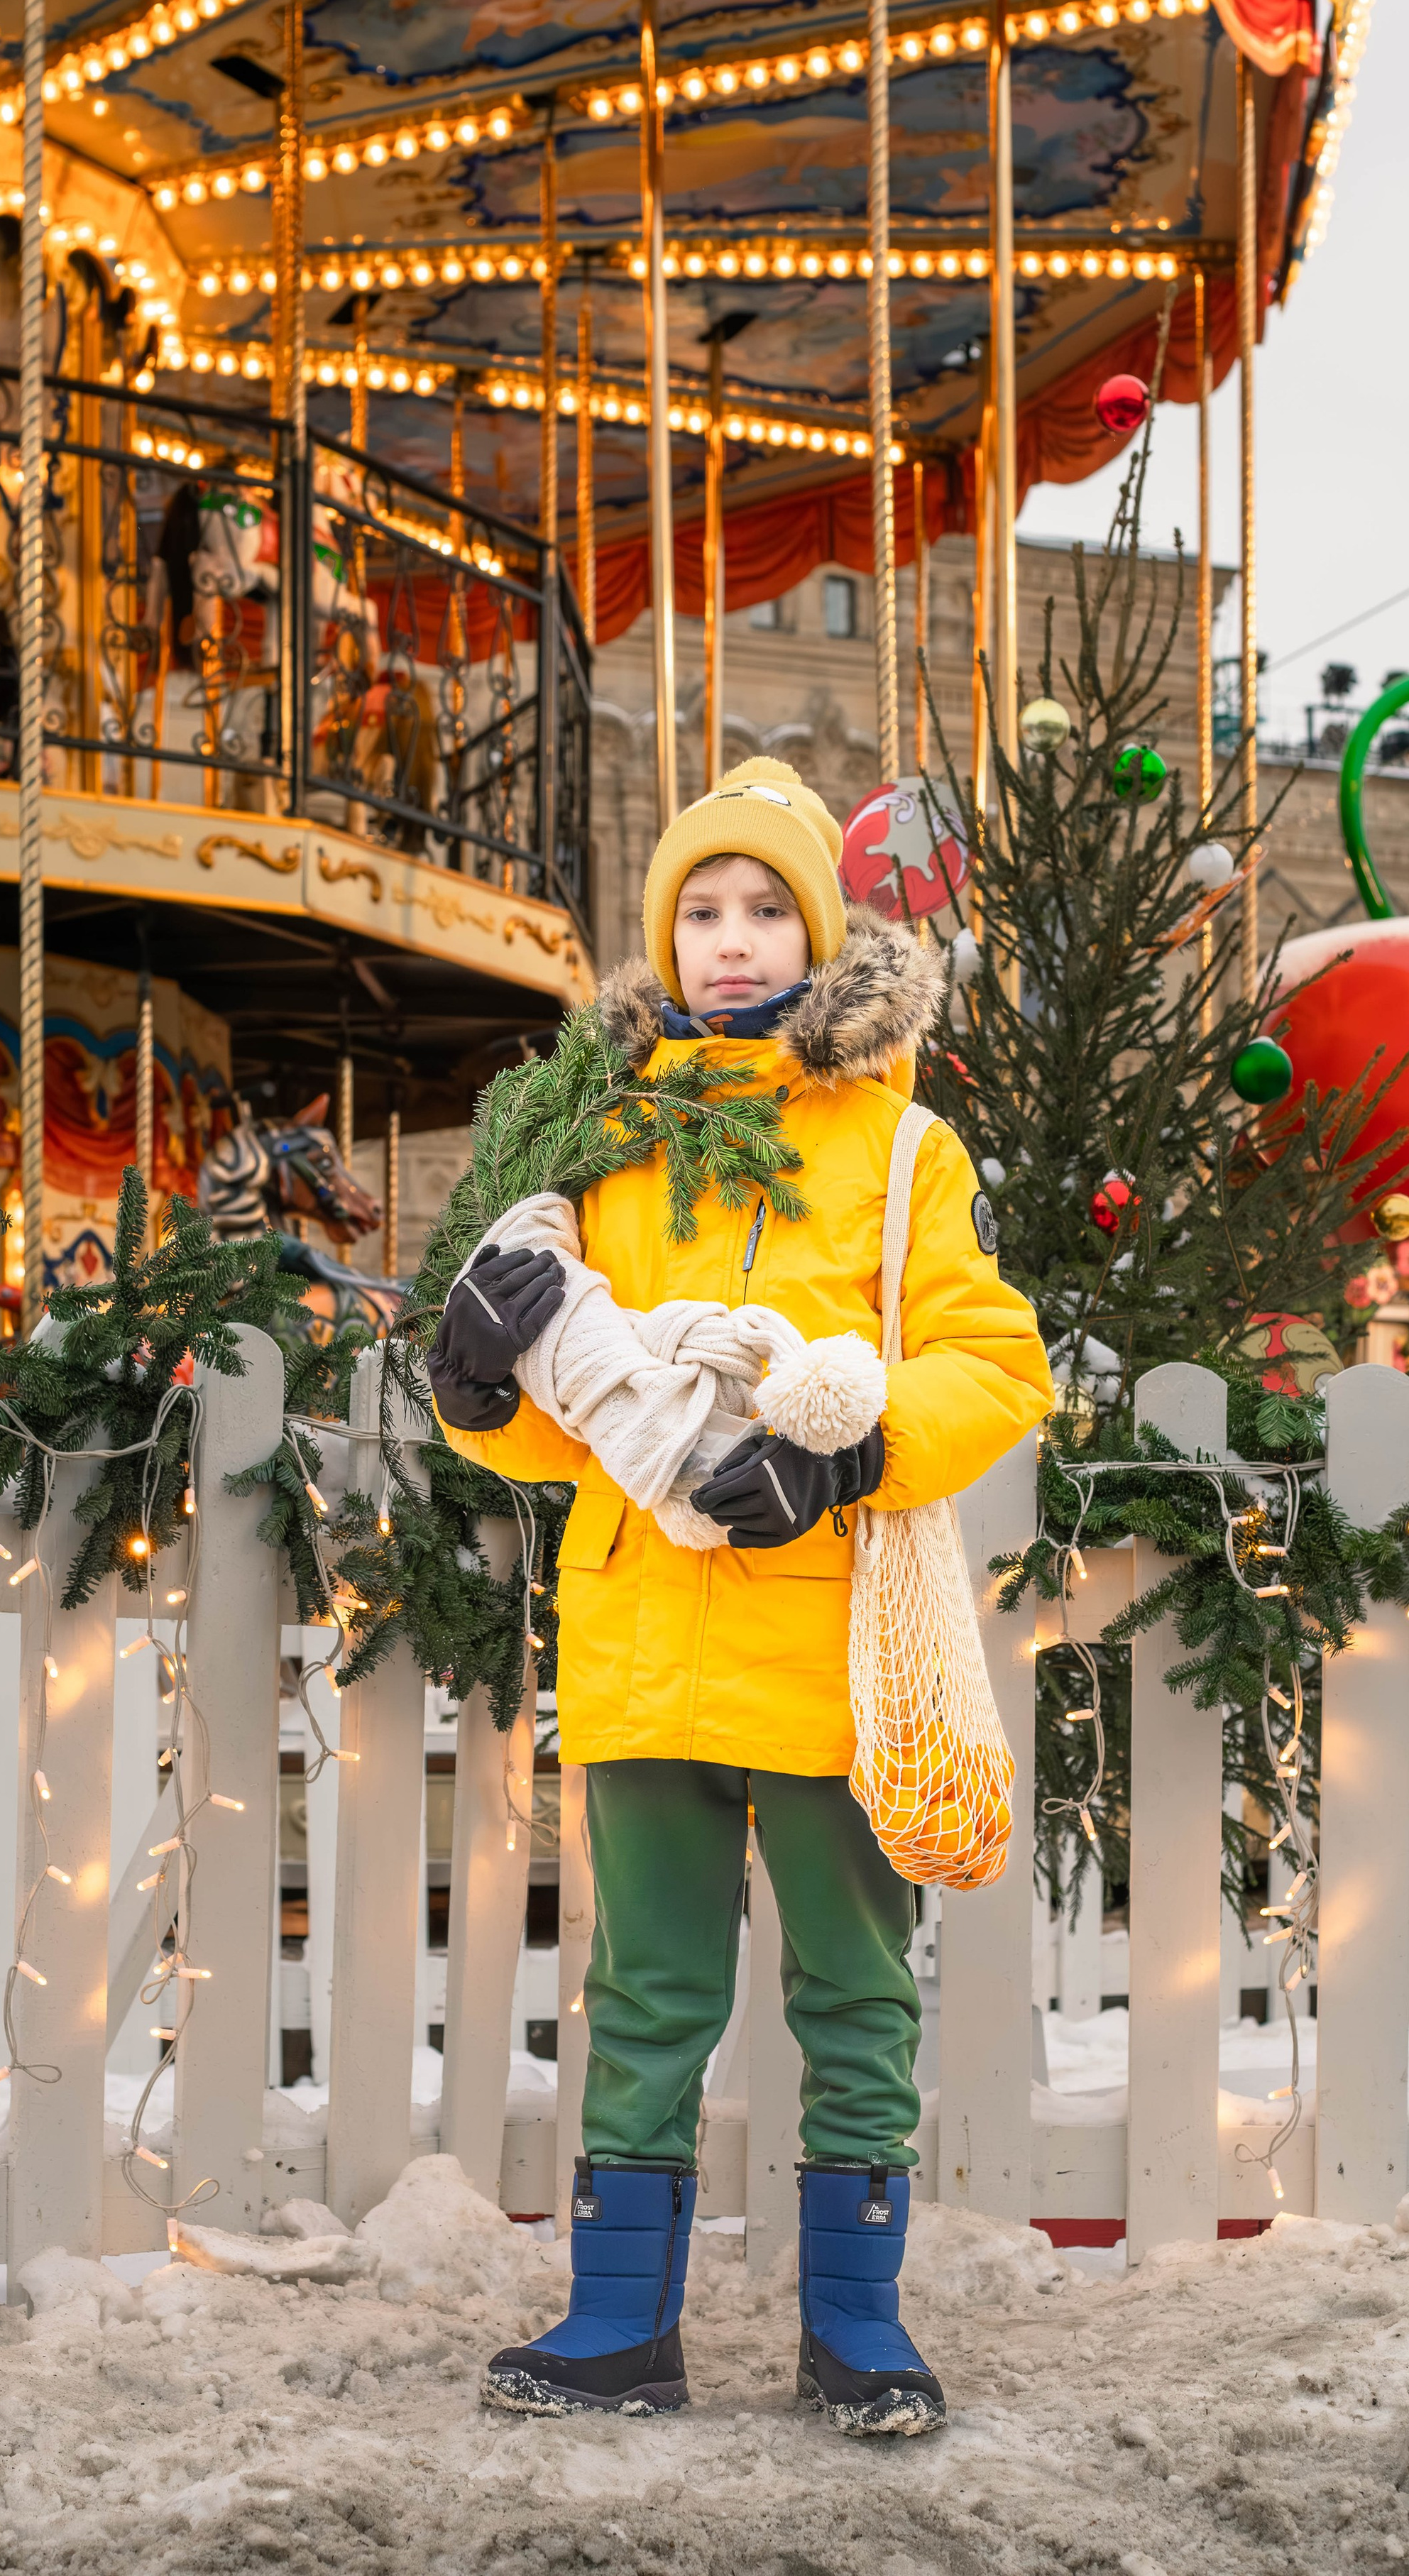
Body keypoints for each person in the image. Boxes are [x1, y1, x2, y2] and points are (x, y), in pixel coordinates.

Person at [427, 755, 1052, 2437]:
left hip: (831, 1655)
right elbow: (568, 1428)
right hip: (643, 1646)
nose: (727, 938)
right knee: (642, 1997)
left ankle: (856, 2330)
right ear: (661, 938)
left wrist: (848, 1459)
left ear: (818, 932)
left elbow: (995, 1365)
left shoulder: (901, 1148)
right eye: (697, 909)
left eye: (764, 907)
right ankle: (617, 2327)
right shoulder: (600, 1154)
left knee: (854, 1993)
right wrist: (478, 1390)